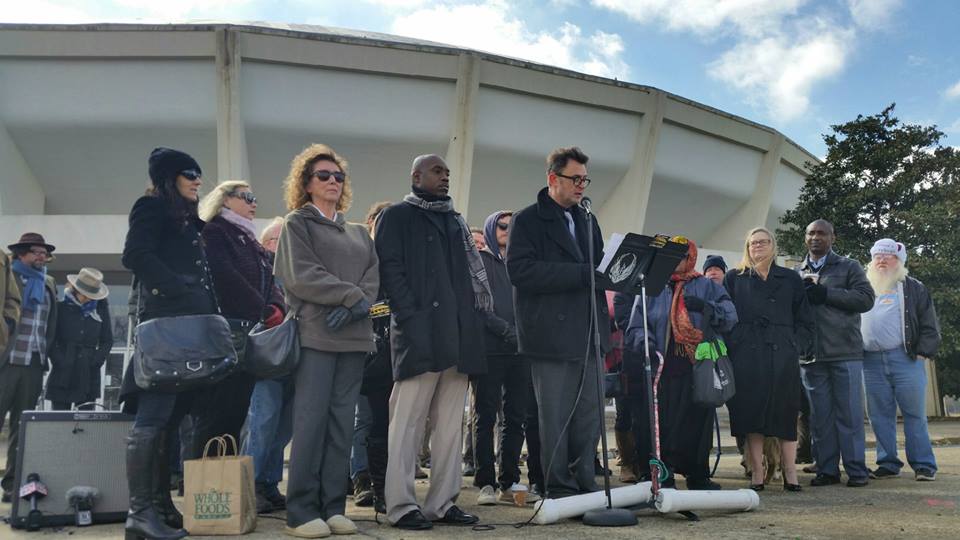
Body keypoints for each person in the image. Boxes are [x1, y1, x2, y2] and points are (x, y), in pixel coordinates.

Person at [376, 154, 488, 530]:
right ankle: (401, 504)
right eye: (437, 171)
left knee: (449, 427)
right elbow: (389, 269)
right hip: (420, 335)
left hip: (458, 336)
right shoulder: (396, 216)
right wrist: (410, 316)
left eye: (447, 173)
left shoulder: (455, 221)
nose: (445, 178)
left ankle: (442, 502)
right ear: (416, 175)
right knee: (406, 424)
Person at [273, 143, 379, 538]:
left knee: (340, 424)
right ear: (306, 182)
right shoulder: (296, 224)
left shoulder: (357, 232)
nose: (333, 181)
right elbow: (301, 275)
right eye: (323, 175)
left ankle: (333, 506)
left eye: (338, 176)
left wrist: (358, 303)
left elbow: (372, 274)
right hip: (317, 335)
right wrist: (351, 297)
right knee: (311, 422)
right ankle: (301, 510)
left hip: (354, 338)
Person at [120, 147, 213, 540]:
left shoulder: (188, 219)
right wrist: (177, 290)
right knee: (153, 417)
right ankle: (139, 513)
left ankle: (159, 504)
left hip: (189, 331)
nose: (198, 180)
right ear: (168, 177)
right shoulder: (151, 206)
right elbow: (135, 254)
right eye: (189, 173)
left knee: (173, 418)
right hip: (164, 329)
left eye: (199, 174)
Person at [507, 146, 610, 499]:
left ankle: (584, 479)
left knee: (590, 414)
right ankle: (559, 486)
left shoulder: (587, 219)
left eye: (585, 179)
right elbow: (520, 271)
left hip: (590, 332)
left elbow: (597, 272)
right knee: (555, 416)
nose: (582, 185)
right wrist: (580, 274)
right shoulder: (528, 220)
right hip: (551, 335)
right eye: (575, 178)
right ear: (553, 178)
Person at [198, 181, 286, 513]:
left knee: (235, 417)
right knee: (216, 417)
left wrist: (276, 307)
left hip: (252, 335)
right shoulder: (215, 232)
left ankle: (227, 496)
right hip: (229, 333)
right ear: (225, 200)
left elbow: (270, 278)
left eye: (255, 197)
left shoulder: (248, 237)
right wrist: (262, 309)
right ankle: (205, 495)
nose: (253, 203)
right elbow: (225, 276)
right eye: (246, 197)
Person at [625, 239, 737, 490]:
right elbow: (636, 325)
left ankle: (698, 475)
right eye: (672, 255)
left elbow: (731, 317)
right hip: (662, 369)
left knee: (698, 423)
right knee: (660, 424)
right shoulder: (651, 286)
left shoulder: (707, 286)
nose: (678, 260)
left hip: (698, 366)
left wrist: (708, 308)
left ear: (692, 257)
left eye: (683, 255)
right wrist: (648, 347)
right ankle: (662, 474)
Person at [724, 228, 813, 491]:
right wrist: (736, 343)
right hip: (747, 355)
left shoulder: (790, 278)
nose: (757, 246)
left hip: (783, 352)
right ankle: (757, 473)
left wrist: (795, 344)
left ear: (773, 245)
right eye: (752, 243)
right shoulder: (735, 278)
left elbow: (804, 317)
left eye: (763, 242)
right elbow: (726, 316)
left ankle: (790, 474)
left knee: (786, 412)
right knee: (752, 414)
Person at [796, 219, 874, 487]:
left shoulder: (849, 266)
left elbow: (865, 299)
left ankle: (856, 470)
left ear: (833, 237)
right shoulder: (797, 271)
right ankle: (827, 470)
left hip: (844, 352)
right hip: (811, 356)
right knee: (820, 418)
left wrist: (826, 293)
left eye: (821, 233)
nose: (815, 237)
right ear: (805, 238)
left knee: (849, 415)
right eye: (811, 233)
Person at [473, 210, 539, 505]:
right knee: (485, 416)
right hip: (489, 348)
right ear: (490, 228)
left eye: (512, 227)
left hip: (520, 351)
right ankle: (485, 481)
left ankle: (509, 478)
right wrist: (507, 331)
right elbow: (479, 306)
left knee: (516, 417)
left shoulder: (521, 265)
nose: (506, 231)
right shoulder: (479, 262)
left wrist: (522, 334)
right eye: (501, 226)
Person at [861, 239, 941, 481]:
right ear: (872, 260)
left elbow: (929, 324)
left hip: (905, 358)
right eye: (878, 256)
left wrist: (922, 352)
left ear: (900, 261)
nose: (882, 260)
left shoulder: (914, 287)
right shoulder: (863, 288)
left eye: (889, 256)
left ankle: (924, 465)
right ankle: (887, 463)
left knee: (914, 414)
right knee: (879, 415)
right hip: (870, 361)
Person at [241, 214, 295, 513]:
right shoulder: (258, 271)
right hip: (267, 361)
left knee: (283, 428)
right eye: (278, 239)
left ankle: (270, 483)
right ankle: (251, 486)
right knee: (262, 422)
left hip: (294, 360)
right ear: (266, 244)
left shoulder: (294, 273)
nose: (284, 245)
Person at [0, 232, 57, 503]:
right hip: (7, 362)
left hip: (33, 363)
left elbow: (51, 325)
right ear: (21, 253)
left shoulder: (48, 284)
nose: (41, 256)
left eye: (44, 253)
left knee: (22, 428)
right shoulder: (8, 277)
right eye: (35, 251)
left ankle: (11, 484)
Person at [358, 201, 394, 514]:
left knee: (400, 427)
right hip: (376, 356)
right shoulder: (366, 259)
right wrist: (392, 308)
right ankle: (377, 488)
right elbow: (368, 305)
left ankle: (393, 488)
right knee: (376, 424)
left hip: (406, 356)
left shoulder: (404, 260)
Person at [47, 268, 113, 411]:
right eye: (85, 294)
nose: (88, 298)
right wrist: (58, 359)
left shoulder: (100, 311)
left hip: (88, 370)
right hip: (63, 369)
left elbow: (107, 340)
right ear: (76, 290)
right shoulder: (61, 308)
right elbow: (51, 337)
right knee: (59, 419)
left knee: (85, 421)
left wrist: (96, 360)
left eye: (92, 295)